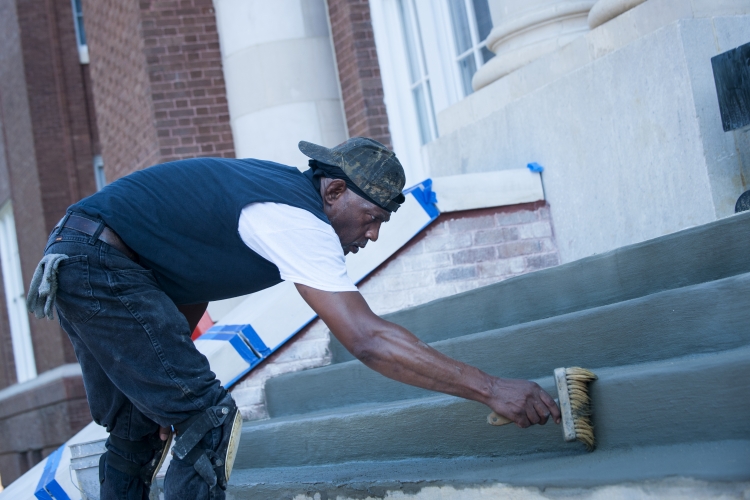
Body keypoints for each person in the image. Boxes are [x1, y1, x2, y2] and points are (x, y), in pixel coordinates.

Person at [28, 137, 560, 500]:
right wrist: (491, 389)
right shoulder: (299, 221)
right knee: (206, 418)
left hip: (81, 257)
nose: (372, 235)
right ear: (333, 192)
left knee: (141, 425)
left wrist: (162, 382)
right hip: (97, 264)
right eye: (372, 218)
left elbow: (175, 280)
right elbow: (368, 339)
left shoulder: (270, 197)